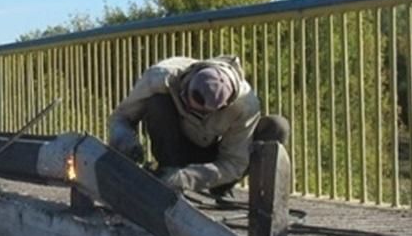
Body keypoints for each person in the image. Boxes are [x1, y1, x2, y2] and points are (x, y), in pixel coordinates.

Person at [105, 55, 289, 197]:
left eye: (199, 111)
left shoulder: (246, 105)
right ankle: (168, 175)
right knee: (157, 104)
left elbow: (234, 163)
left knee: (277, 126)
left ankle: (218, 187)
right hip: (175, 146)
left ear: (223, 106)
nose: (189, 109)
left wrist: (186, 178)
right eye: (186, 102)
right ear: (188, 80)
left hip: (213, 156)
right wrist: (125, 140)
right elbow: (121, 117)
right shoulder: (160, 77)